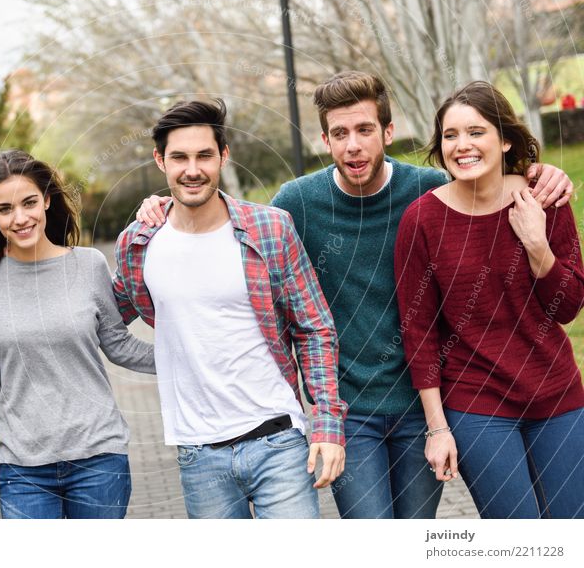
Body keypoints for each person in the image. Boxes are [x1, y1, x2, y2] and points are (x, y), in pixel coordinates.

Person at [136, 72, 574, 519]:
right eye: (340, 134)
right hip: (351, 413)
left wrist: (541, 174)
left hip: (423, 404)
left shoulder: (428, 193)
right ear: (324, 139)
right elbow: (234, 228)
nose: (353, 146)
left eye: (365, 130)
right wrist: (164, 206)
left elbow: (488, 180)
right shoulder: (298, 203)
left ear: (387, 131)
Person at [114, 99, 346, 519]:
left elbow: (315, 328)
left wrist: (328, 425)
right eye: (179, 157)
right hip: (199, 454)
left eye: (204, 155)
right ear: (159, 161)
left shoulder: (271, 229)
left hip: (278, 441)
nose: (192, 169)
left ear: (223, 155)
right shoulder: (138, 244)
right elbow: (103, 315)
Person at [395, 81, 584, 519]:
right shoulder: (421, 220)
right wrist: (437, 428)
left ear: (504, 139)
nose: (462, 145)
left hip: (557, 397)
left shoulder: (544, 198)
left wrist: (538, 246)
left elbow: (570, 305)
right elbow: (418, 332)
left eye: (476, 132)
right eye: (450, 135)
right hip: (477, 408)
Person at [0, 150, 155, 519]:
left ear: (47, 199)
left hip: (98, 456)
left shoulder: (88, 264)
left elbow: (118, 344)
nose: (20, 218)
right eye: (5, 209)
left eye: (30, 202)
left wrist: (188, 356)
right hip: (23, 464)